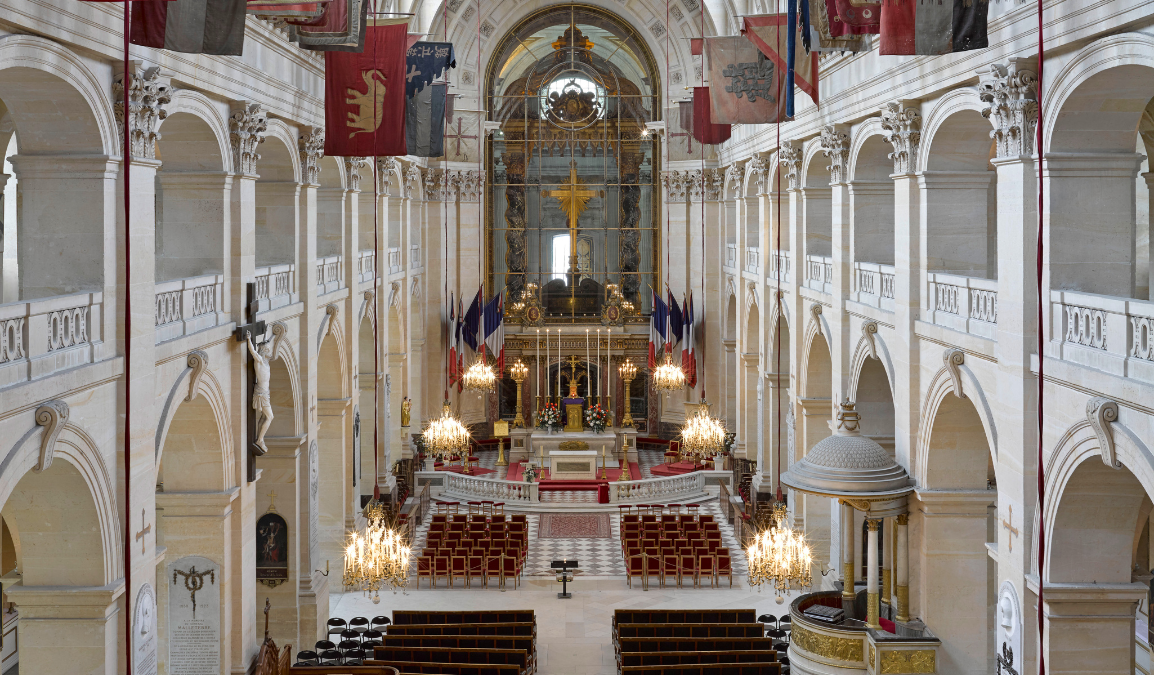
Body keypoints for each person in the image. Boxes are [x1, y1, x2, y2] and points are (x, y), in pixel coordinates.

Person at [246, 331, 274, 454]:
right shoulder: (260, 361)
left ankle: (259, 438)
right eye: (268, 349)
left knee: (264, 416)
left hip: (265, 392)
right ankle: (260, 440)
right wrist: (248, 339)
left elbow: (265, 341)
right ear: (264, 351)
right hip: (261, 393)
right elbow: (253, 351)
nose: (270, 351)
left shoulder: (266, 362)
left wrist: (267, 334)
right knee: (270, 416)